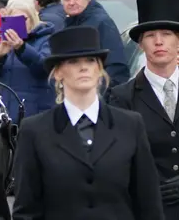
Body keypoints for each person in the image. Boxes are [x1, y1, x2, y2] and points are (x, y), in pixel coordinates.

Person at [13, 25, 164, 220]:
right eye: (73, 61)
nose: (83, 67)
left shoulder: (130, 125)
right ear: (58, 72)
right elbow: (26, 209)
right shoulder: (35, 130)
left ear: (99, 70)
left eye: (91, 60)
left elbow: (148, 203)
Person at [109, 0, 179, 219]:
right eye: (150, 35)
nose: (159, 41)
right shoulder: (122, 97)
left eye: (166, 34)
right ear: (140, 44)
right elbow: (120, 158)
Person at [0, 0, 54, 124]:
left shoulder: (46, 38)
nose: (19, 24)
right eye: (12, 20)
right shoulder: (6, 42)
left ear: (32, 18)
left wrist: (22, 48)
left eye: (23, 19)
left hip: (35, 114)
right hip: (7, 114)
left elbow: (44, 68)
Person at [61, 0, 128, 89]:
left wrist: (99, 95)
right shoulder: (69, 24)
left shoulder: (102, 23)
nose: (72, 3)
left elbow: (117, 67)